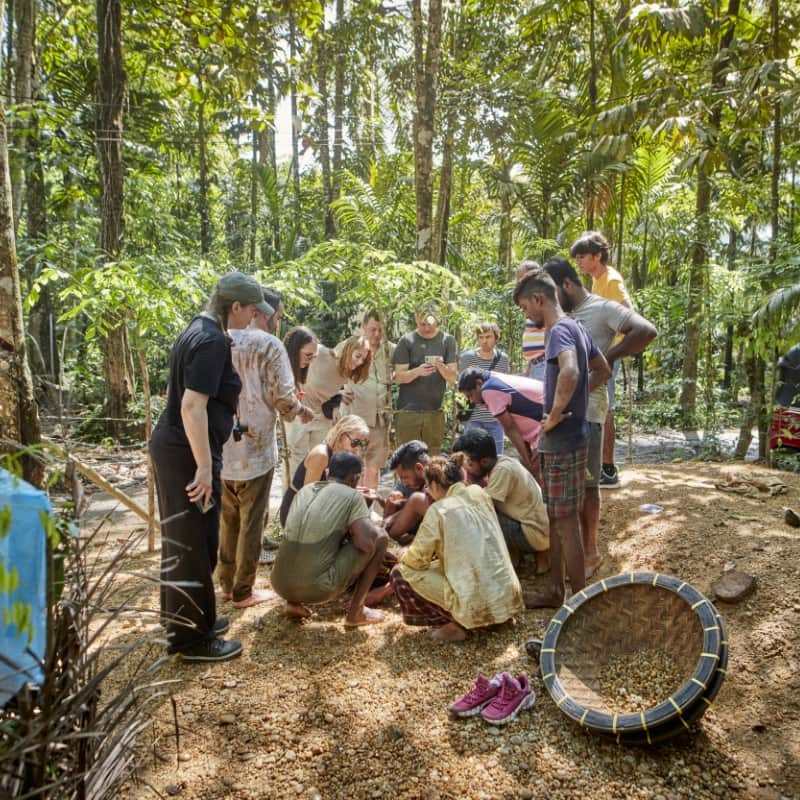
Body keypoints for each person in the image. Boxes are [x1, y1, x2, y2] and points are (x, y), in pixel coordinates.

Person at [150, 271, 272, 662]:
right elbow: (190, 404)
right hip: (187, 453)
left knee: (185, 538)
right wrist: (203, 466)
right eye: (252, 310)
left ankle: (188, 620)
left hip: (177, 447)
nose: (254, 317)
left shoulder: (197, 328)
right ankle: (192, 640)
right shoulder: (212, 341)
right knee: (195, 541)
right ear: (234, 306)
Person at [543, 257, 657, 577]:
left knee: (589, 484)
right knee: (567, 487)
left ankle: (591, 551)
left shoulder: (602, 307)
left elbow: (646, 330)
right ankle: (571, 554)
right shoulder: (561, 316)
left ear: (566, 284)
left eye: (552, 291)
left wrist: (604, 359)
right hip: (562, 412)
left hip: (591, 410)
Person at [512, 269, 611, 608]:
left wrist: (553, 416)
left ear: (539, 299)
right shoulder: (578, 327)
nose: (527, 315)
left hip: (563, 439)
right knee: (557, 518)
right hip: (570, 437)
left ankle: (580, 603)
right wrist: (577, 399)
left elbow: (570, 370)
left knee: (567, 522)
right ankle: (556, 591)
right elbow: (603, 370)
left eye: (526, 307)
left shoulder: (558, 331)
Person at [219, 288, 313, 608]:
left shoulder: (217, 338)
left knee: (227, 520)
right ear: (260, 312)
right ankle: (243, 591)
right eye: (277, 317)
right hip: (256, 447)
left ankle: (226, 584)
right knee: (252, 522)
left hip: (219, 446)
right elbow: (283, 398)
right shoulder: (269, 345)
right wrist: (298, 412)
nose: (278, 323)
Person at [390, 456, 524, 642]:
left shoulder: (438, 510)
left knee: (401, 573)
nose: (428, 491)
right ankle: (497, 618)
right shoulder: (479, 493)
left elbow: (416, 560)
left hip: (477, 603)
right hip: (508, 597)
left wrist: (402, 554)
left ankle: (459, 624)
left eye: (428, 486)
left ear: (435, 485)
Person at [270, 452, 390, 627]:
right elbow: (367, 542)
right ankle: (356, 612)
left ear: (327, 473)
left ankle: (293, 602)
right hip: (318, 589)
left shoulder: (305, 490)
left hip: (279, 584)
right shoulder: (352, 496)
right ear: (355, 479)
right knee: (381, 538)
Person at [570, 232, 632, 488]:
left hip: (606, 357)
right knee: (597, 408)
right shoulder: (597, 281)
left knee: (605, 409)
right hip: (597, 356)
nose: (579, 263)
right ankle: (599, 466)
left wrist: (610, 352)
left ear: (598, 256)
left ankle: (607, 469)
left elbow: (627, 314)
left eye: (583, 257)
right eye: (576, 258)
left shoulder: (612, 280)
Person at [452, 427, 549, 575]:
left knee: (478, 518)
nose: (468, 470)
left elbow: (484, 507)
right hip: (535, 528)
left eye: (470, 465)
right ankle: (516, 559)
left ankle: (506, 564)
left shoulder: (502, 471)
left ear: (484, 461)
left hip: (534, 534)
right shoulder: (502, 462)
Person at [283, 328, 371, 478]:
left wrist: (337, 399)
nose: (359, 362)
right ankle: (292, 499)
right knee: (296, 463)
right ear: (348, 349)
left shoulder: (347, 373)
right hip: (300, 413)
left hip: (321, 418)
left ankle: (314, 498)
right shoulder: (323, 355)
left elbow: (329, 390)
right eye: (357, 356)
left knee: (320, 461)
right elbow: (300, 349)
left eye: (363, 359)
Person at [279, 414, 371, 526]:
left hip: (321, 508)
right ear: (342, 435)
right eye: (355, 442)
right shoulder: (321, 455)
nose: (358, 448)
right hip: (297, 512)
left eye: (363, 443)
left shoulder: (349, 457)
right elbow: (308, 498)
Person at [393, 305, 458, 454]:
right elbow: (399, 377)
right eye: (422, 324)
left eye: (430, 324)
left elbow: (453, 377)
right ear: (416, 319)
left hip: (434, 413)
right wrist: (417, 371)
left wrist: (441, 367)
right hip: (408, 413)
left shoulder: (448, 341)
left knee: (433, 459)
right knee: (405, 458)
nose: (426, 328)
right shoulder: (406, 341)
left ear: (437, 320)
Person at [457, 367, 544, 478]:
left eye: (470, 395)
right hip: (542, 426)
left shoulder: (489, 390)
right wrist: (527, 458)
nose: (471, 401)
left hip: (546, 426)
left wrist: (529, 462)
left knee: (536, 471)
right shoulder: (491, 379)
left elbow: (510, 428)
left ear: (479, 383)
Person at [345, 310, 395, 490]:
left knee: (374, 467)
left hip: (380, 419)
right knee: (355, 466)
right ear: (364, 327)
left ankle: (369, 506)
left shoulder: (391, 349)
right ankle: (354, 506)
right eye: (373, 329)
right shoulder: (350, 346)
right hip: (356, 418)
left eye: (381, 330)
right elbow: (333, 368)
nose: (377, 334)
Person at [458, 322, 510, 454]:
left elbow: (505, 385)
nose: (484, 341)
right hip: (473, 417)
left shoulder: (503, 359)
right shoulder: (467, 358)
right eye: (481, 337)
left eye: (488, 337)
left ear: (496, 337)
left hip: (496, 417)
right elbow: (462, 386)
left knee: (497, 457)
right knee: (471, 457)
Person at [383, 440, 434, 546]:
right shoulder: (411, 479)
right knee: (392, 503)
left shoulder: (437, 476)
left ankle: (387, 540)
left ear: (419, 468)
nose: (404, 483)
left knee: (415, 500)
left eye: (405, 477)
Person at [516, 261, 546, 381]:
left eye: (521, 279)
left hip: (545, 363)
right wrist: (529, 367)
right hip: (535, 364)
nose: (518, 284)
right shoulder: (529, 303)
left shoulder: (544, 299)